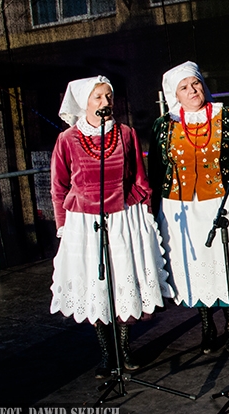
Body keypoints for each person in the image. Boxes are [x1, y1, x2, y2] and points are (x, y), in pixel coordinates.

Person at [50, 76, 171, 378]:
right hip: (85, 221)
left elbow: (140, 176)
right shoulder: (67, 139)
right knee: (98, 283)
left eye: (109, 96)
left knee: (122, 280)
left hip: (122, 216)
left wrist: (144, 213)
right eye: (99, 97)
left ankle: (125, 347)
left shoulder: (126, 133)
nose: (106, 102)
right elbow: (58, 186)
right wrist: (63, 225)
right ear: (84, 103)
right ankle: (107, 352)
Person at [149, 61, 229, 355]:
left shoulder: (227, 116)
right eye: (184, 87)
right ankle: (206, 324)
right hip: (182, 208)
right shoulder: (164, 125)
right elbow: (157, 170)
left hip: (224, 201)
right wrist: (154, 205)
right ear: (175, 94)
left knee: (226, 261)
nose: (192, 91)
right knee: (196, 264)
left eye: (195, 83)